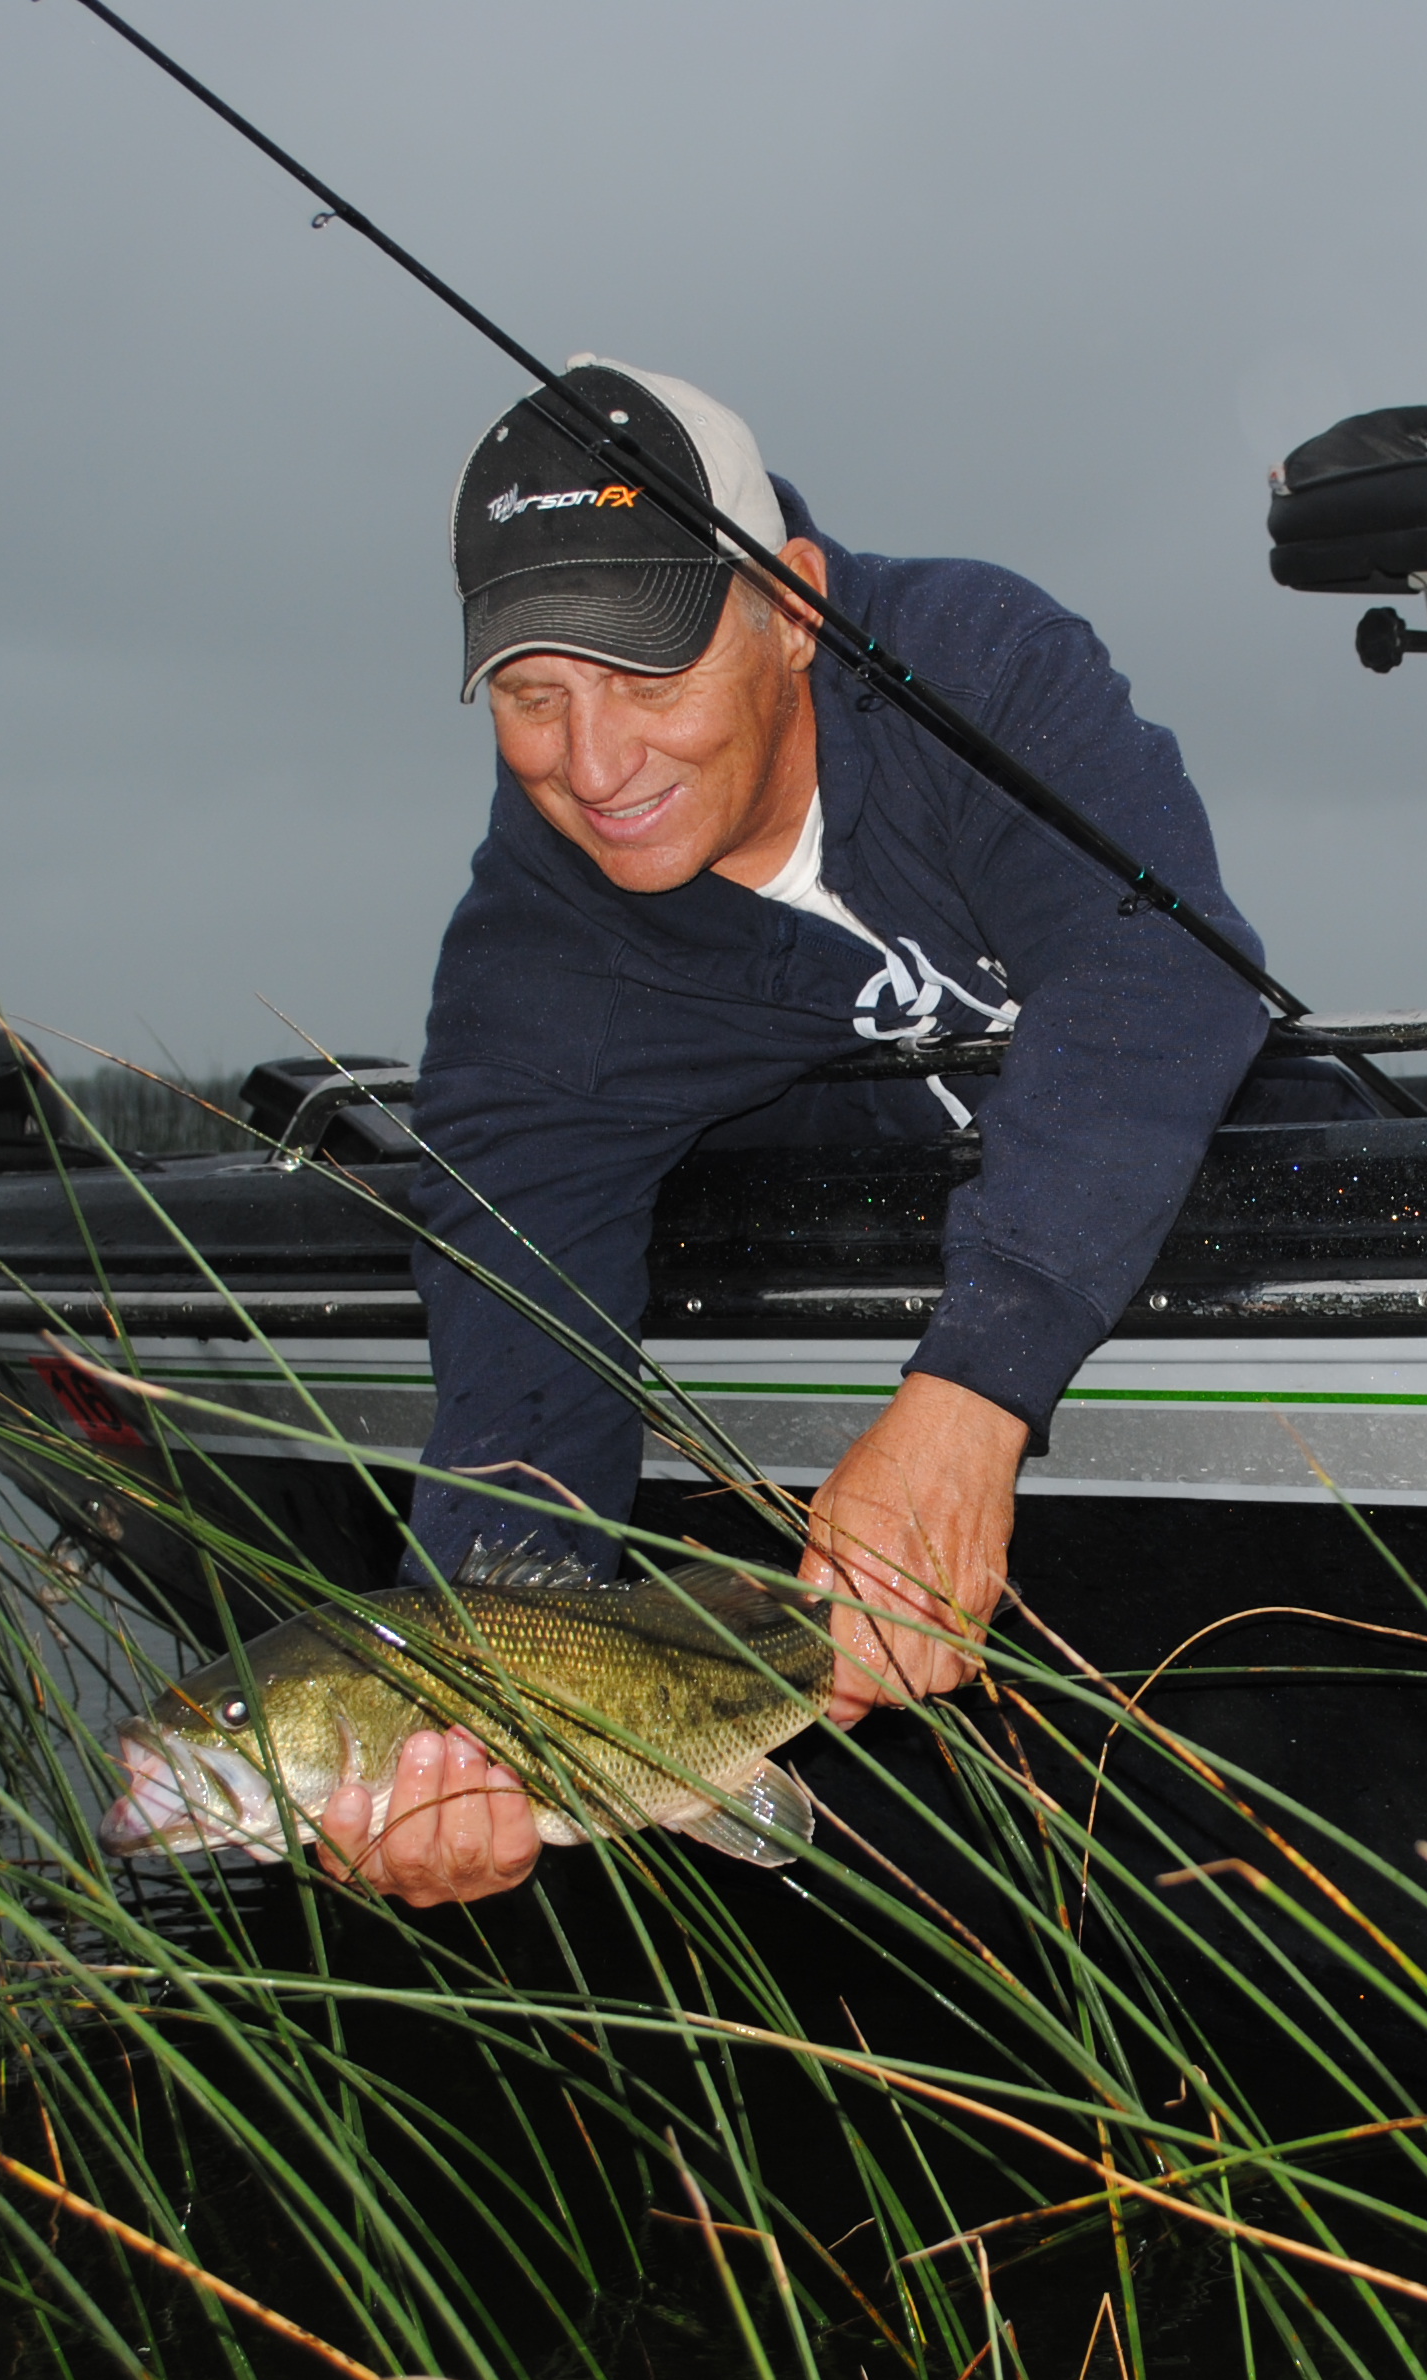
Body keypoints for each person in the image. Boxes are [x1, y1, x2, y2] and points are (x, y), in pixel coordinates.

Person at [321, 359, 1317, 1904]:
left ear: (793, 606)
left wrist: (970, 1392)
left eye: (647, 678)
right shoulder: (534, 971)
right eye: (533, 695)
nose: (595, 767)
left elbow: (1162, 962)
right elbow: (523, 1360)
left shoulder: (973, 662)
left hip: (1243, 1278)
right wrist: (459, 1716)